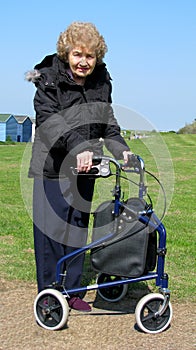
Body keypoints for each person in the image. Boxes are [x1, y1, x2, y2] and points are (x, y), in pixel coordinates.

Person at [26, 21, 132, 312]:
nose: (83, 62)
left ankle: (72, 291)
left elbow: (107, 123)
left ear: (97, 57)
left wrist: (122, 150)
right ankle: (49, 296)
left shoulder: (101, 82)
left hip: (85, 170)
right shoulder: (48, 79)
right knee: (50, 233)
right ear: (66, 53)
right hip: (53, 166)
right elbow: (50, 122)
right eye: (77, 54)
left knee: (75, 228)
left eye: (90, 56)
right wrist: (79, 147)